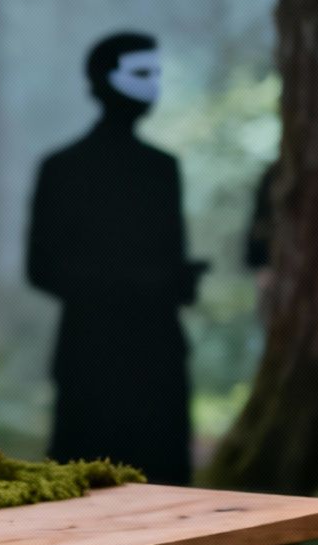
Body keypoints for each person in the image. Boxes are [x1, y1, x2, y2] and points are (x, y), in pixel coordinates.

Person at [25, 31, 205, 486]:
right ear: (103, 80)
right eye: (142, 73)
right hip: (100, 351)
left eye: (157, 74)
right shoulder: (66, 168)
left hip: (140, 349)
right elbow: (41, 268)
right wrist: (147, 284)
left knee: (157, 481)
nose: (153, 86)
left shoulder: (160, 169)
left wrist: (170, 281)